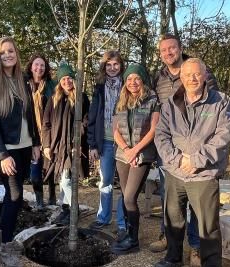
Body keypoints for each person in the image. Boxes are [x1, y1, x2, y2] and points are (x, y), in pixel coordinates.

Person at [154, 58, 230, 267]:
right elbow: (161, 135)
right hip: (175, 172)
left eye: (197, 74)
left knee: (208, 227)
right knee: (173, 220)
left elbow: (223, 137)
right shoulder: (171, 103)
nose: (192, 78)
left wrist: (197, 161)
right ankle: (173, 258)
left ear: (205, 75)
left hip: (204, 175)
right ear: (181, 77)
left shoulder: (220, 101)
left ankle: (211, 264)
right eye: (187, 74)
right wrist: (178, 159)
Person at [150, 33, 218, 266]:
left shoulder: (200, 74)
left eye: (172, 48)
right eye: (163, 50)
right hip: (171, 159)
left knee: (200, 213)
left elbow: (217, 123)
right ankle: (170, 247)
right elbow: (159, 125)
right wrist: (176, 159)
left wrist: (196, 159)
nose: (168, 53)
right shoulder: (157, 78)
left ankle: (197, 248)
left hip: (200, 162)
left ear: (180, 49)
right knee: (173, 209)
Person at [0, 37, 40, 245]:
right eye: (3, 52)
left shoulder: (22, 79)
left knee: (15, 194)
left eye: (11, 51)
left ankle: (3, 232)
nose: (8, 55)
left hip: (25, 146)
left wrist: (36, 142)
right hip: (7, 150)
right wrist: (2, 154)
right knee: (14, 194)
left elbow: (31, 113)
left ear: (17, 54)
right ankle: (5, 240)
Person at [111, 64, 160, 254]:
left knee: (130, 196)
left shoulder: (152, 99)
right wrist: (126, 149)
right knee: (125, 197)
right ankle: (128, 234)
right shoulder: (121, 100)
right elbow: (114, 130)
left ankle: (133, 241)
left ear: (142, 80)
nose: (133, 82)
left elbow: (154, 129)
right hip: (123, 154)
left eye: (136, 78)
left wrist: (135, 150)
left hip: (142, 154)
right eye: (129, 79)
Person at [42, 63, 89, 226]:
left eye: (69, 77)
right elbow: (46, 123)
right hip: (57, 146)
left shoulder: (81, 98)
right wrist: (46, 145)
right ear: (59, 81)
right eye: (63, 78)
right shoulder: (53, 99)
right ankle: (66, 210)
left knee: (65, 180)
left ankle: (74, 211)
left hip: (72, 146)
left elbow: (85, 122)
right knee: (62, 178)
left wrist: (78, 141)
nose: (67, 81)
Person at [87, 50, 126, 238]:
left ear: (121, 65)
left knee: (126, 185)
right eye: (108, 64)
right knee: (106, 182)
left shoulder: (128, 84)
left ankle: (122, 222)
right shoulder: (99, 88)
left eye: (116, 64)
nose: (112, 68)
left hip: (126, 143)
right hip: (106, 142)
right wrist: (92, 144)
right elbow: (92, 116)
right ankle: (103, 217)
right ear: (104, 66)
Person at [25, 53, 56, 208]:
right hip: (30, 133)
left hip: (48, 131)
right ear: (31, 67)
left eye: (42, 65)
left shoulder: (51, 85)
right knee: (35, 168)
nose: (39, 68)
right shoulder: (24, 84)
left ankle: (52, 196)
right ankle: (39, 200)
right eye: (36, 64)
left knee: (50, 166)